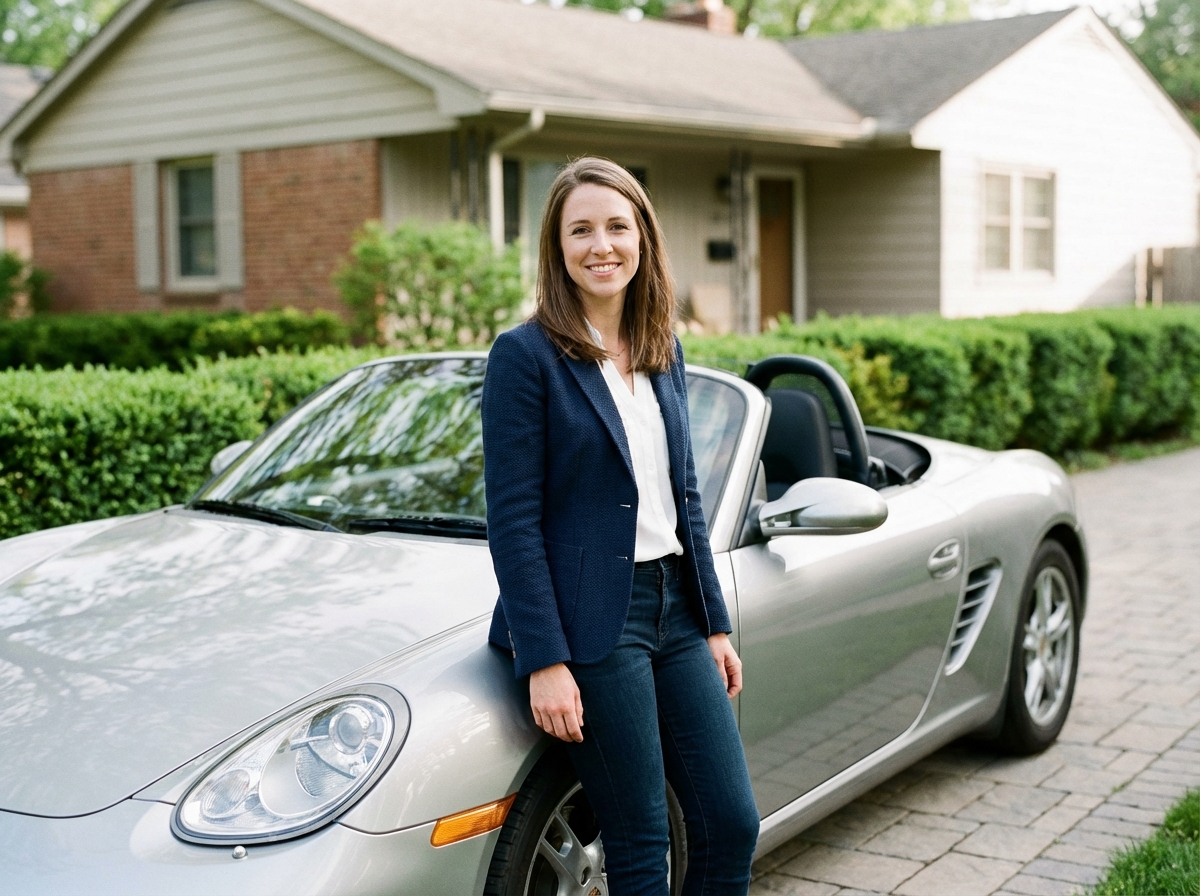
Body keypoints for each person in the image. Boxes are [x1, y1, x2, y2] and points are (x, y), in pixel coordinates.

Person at [481, 157, 759, 894]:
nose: (601, 246)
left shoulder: (661, 345)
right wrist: (543, 660)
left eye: (616, 226)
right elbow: (512, 521)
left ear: (643, 238)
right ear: (557, 247)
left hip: (675, 609)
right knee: (640, 844)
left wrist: (715, 625)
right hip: (594, 623)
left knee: (732, 824)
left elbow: (686, 497)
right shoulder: (524, 357)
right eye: (581, 230)